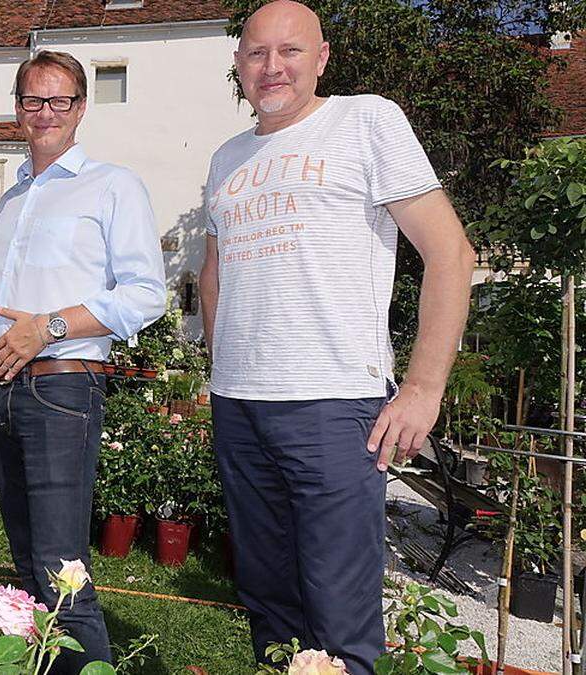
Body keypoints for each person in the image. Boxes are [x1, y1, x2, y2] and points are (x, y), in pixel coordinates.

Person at [198, 2, 475, 672]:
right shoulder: (227, 157)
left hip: (331, 405)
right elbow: (214, 276)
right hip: (239, 406)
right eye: (256, 53)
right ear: (239, 66)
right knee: (269, 607)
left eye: (289, 51)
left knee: (340, 618)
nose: (271, 67)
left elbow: (451, 254)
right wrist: (223, 365)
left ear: (321, 58)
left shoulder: (365, 120)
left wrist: (422, 388)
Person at [0, 51, 167, 674]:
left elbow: (146, 293)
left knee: (64, 575)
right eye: (33, 101)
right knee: (29, 569)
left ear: (81, 107)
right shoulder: (13, 193)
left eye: (60, 101)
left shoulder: (112, 185)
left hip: (62, 389)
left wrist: (48, 327)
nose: (46, 113)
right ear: (18, 109)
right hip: (0, 391)